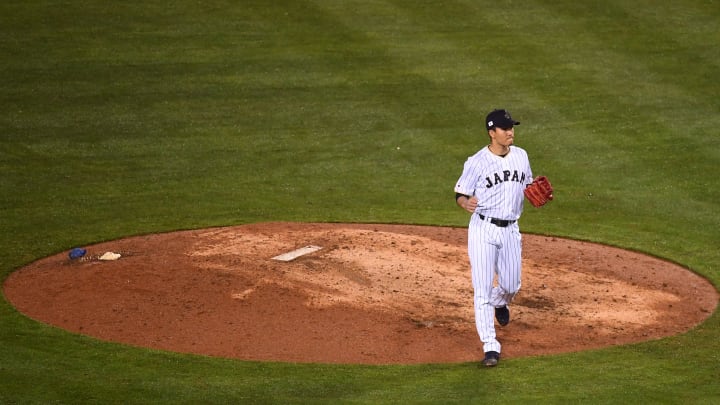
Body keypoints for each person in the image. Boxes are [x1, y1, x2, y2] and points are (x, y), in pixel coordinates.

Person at [453, 109, 534, 367]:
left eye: (511, 127)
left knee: (512, 285)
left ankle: (501, 302)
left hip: (510, 229)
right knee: (482, 289)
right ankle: (490, 346)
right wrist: (465, 203)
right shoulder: (476, 162)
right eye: (504, 128)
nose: (510, 132)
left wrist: (535, 193)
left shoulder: (521, 156)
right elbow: (460, 193)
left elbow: (529, 186)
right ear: (492, 133)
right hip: (483, 230)